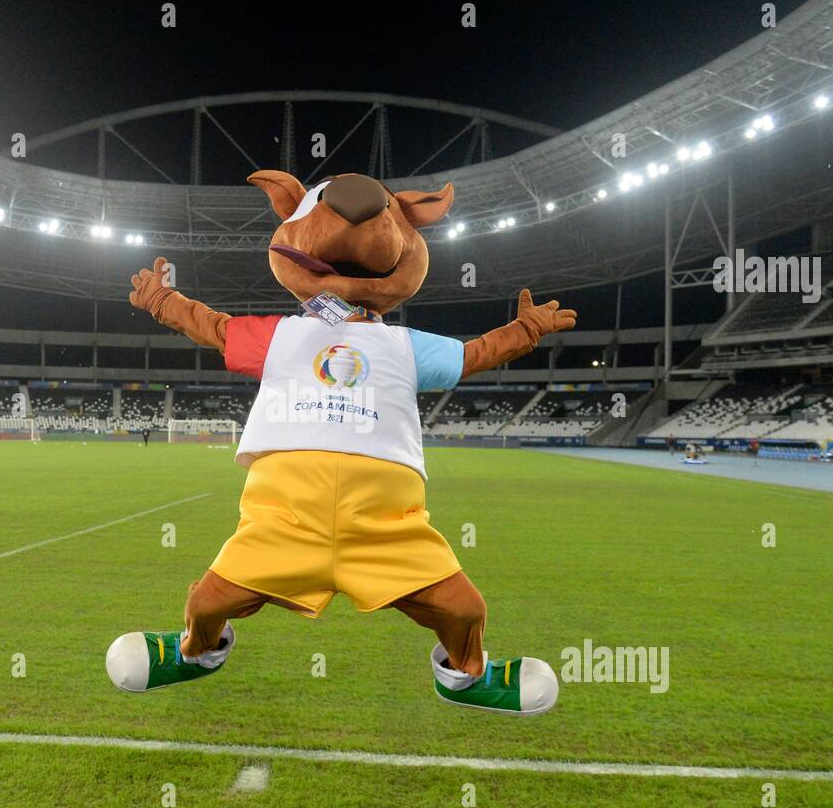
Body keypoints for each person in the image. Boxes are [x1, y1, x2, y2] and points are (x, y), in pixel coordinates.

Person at [107, 170, 576, 714]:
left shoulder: (403, 346)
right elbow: (213, 327)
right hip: (283, 520)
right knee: (209, 599)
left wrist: (525, 332)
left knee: (466, 609)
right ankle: (195, 651)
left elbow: (473, 356)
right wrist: (163, 300)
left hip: (386, 527)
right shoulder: (282, 335)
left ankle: (466, 675)